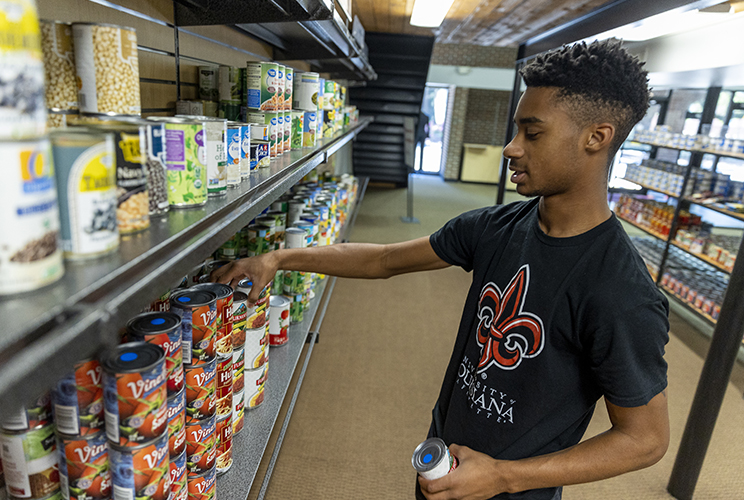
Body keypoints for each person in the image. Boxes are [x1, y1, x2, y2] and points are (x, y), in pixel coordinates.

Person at [212, 39, 670, 500]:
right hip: (443, 458)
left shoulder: (621, 290)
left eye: (533, 133)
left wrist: (504, 477)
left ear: (597, 137)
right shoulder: (497, 226)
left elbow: (645, 439)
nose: (510, 148)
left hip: (512, 491)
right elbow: (384, 259)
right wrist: (280, 257)